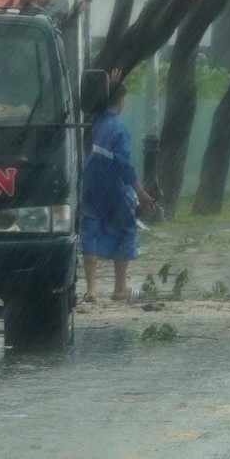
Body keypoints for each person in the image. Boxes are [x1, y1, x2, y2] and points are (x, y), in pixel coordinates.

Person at [81, 77, 156, 300]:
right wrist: (141, 192)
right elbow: (123, 165)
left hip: (90, 186)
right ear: (121, 100)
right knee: (125, 230)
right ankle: (120, 288)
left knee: (90, 231)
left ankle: (91, 290)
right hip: (114, 187)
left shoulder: (92, 125)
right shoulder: (118, 129)